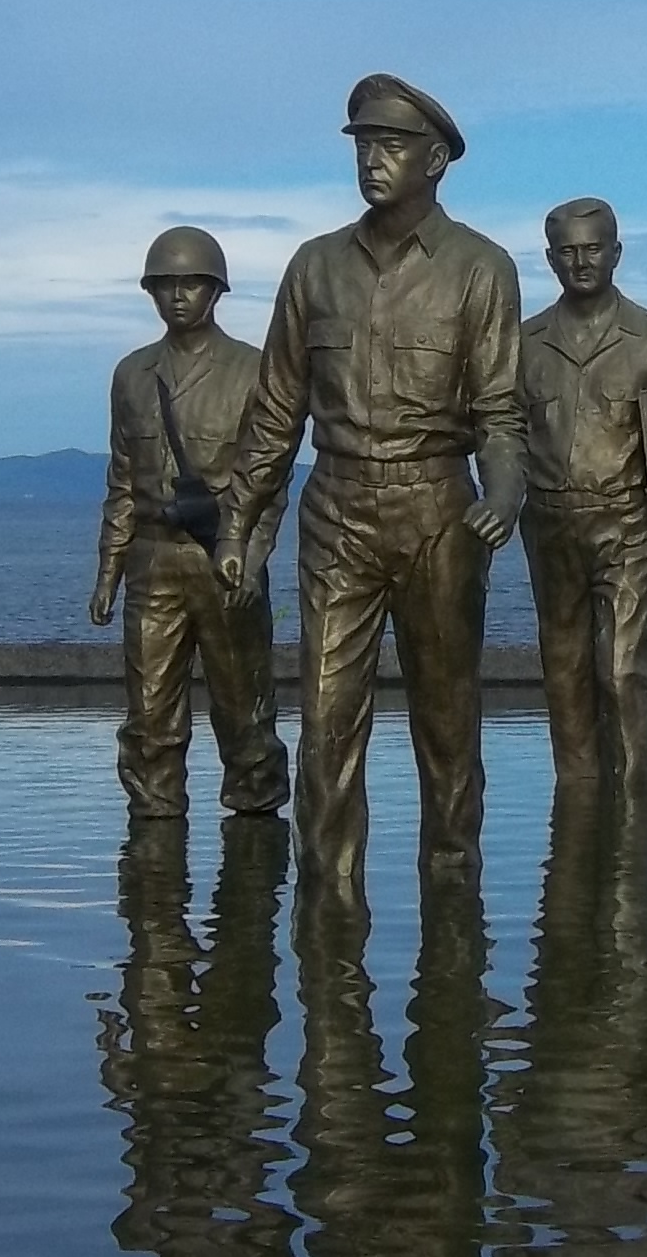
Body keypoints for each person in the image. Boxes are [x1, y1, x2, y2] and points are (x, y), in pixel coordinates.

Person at [219, 74, 526, 881]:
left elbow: (500, 414)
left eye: (391, 146)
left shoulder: (480, 269)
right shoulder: (314, 267)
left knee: (448, 724)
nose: (373, 161)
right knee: (325, 723)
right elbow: (275, 413)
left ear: (436, 161)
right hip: (337, 511)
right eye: (363, 146)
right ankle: (327, 917)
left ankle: (454, 908)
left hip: (438, 512)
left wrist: (503, 495)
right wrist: (239, 526)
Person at [517, 197, 647, 797]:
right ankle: (578, 816)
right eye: (568, 252)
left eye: (593, 249)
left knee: (623, 671)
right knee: (566, 674)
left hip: (630, 522)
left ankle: (634, 825)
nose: (581, 262)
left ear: (616, 253)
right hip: (550, 525)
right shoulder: (522, 344)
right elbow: (497, 429)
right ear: (550, 259)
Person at [91, 226, 288, 818]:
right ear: (151, 291)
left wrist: (251, 559)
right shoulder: (132, 374)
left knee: (245, 717)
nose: (179, 296)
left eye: (192, 284)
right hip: (152, 564)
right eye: (167, 285)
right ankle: (153, 878)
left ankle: (254, 873)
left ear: (216, 291)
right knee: (149, 722)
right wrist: (107, 573)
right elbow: (122, 480)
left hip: (221, 557)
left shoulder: (254, 370)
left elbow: (271, 480)